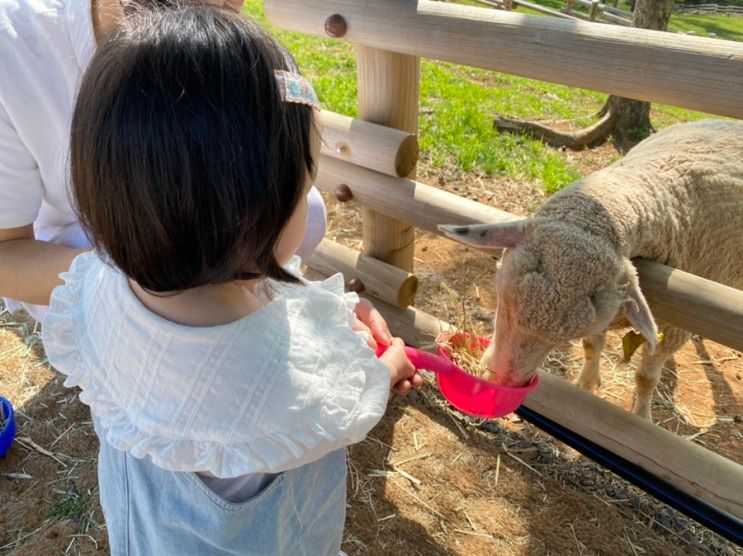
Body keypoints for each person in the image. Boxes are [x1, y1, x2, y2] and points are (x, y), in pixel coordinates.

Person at [42, 4, 420, 554]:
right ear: (254, 217)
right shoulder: (284, 387)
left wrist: (329, 315)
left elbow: (261, 299)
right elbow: (337, 400)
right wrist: (381, 369)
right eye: (305, 181)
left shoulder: (99, 288)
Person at [0, 0, 326, 321]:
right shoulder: (13, 44)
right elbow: (6, 253)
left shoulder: (225, 49)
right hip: (81, 249)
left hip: (178, 239)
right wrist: (154, 278)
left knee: (306, 212)